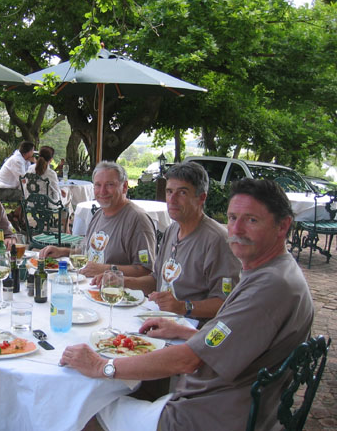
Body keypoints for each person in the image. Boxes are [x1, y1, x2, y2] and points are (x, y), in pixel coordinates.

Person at [60, 179, 314, 431]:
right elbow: (232, 338)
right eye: (233, 217)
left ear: (283, 226)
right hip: (243, 404)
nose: (236, 230)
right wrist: (187, 332)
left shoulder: (269, 288)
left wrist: (102, 366)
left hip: (209, 414)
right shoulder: (278, 272)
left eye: (252, 220)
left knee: (80, 409)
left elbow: (187, 361)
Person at [94, 161, 241, 320]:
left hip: (191, 330)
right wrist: (121, 280)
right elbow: (156, 280)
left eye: (182, 193)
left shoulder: (218, 240)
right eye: (169, 191)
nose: (173, 199)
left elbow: (227, 303)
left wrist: (182, 307)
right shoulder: (172, 230)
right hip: (159, 319)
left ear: (201, 198)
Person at [40, 161, 156, 277]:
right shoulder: (99, 213)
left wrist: (107, 269)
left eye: (110, 185)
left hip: (115, 292)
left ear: (124, 187)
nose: (102, 191)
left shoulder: (138, 220)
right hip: (88, 286)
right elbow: (87, 252)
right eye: (98, 185)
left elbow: (146, 270)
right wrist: (62, 251)